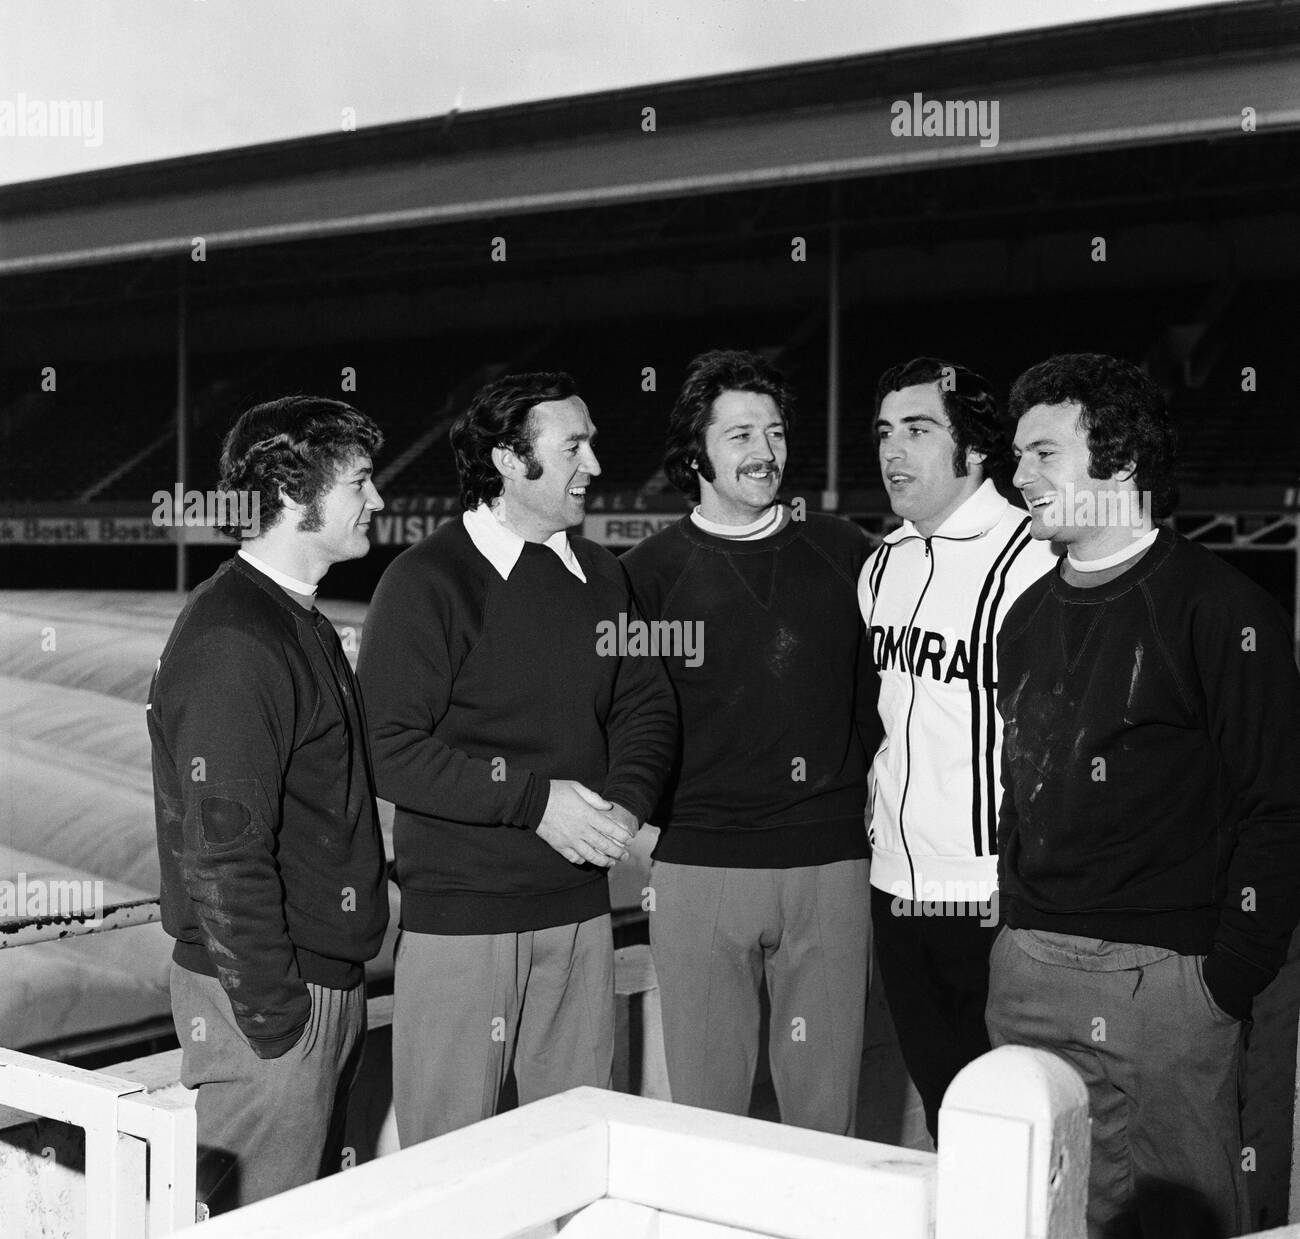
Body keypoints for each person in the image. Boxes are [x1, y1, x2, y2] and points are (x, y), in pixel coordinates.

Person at [991, 352, 1300, 1239]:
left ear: (1119, 462)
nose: (1020, 477)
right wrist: (1011, 934)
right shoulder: (1026, 618)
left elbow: (1279, 810)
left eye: (1044, 454)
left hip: (1168, 987)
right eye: (1017, 456)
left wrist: (1220, 984)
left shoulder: (1223, 610)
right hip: (1027, 969)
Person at [357, 372, 676, 1145]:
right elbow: (389, 750)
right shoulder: (425, 582)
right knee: (449, 1165)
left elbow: (648, 704)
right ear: (508, 459)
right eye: (573, 446)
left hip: (578, 917)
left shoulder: (605, 576)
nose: (594, 465)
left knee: (575, 1156)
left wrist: (623, 806)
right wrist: (539, 803)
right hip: (462, 927)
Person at [621, 348, 877, 1135]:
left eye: (773, 431)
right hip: (700, 868)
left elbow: (881, 698)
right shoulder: (645, 575)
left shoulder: (846, 552)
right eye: (738, 435)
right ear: (695, 450)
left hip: (830, 863)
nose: (763, 452)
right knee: (707, 1122)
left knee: (826, 1118)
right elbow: (626, 714)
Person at [148, 396, 390, 1215]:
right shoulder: (236, 639)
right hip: (272, 1005)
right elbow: (221, 856)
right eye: (361, 482)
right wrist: (280, 1022)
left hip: (308, 990)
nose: (378, 500)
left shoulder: (290, 617)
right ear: (294, 495)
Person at [859, 357, 1057, 1143]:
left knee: (1012, 1128)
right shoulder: (881, 563)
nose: (891, 451)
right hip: (893, 888)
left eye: (916, 430)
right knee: (947, 1116)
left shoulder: (1034, 556)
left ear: (974, 449)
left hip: (989, 895)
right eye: (883, 433)